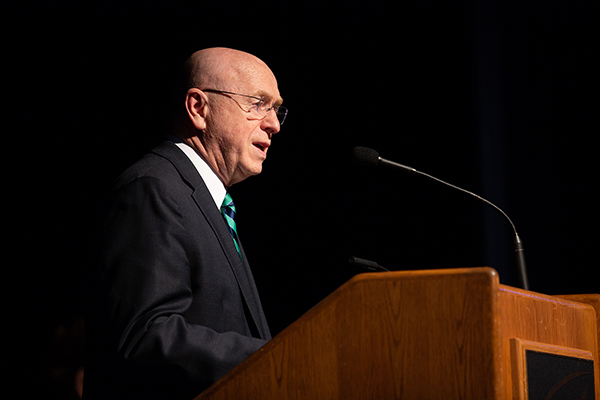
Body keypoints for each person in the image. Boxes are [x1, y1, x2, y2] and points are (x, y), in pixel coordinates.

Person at [84, 47, 287, 400]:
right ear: (198, 108)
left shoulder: (211, 202)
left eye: (277, 109)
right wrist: (275, 357)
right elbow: (147, 335)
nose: (273, 124)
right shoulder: (154, 188)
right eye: (258, 103)